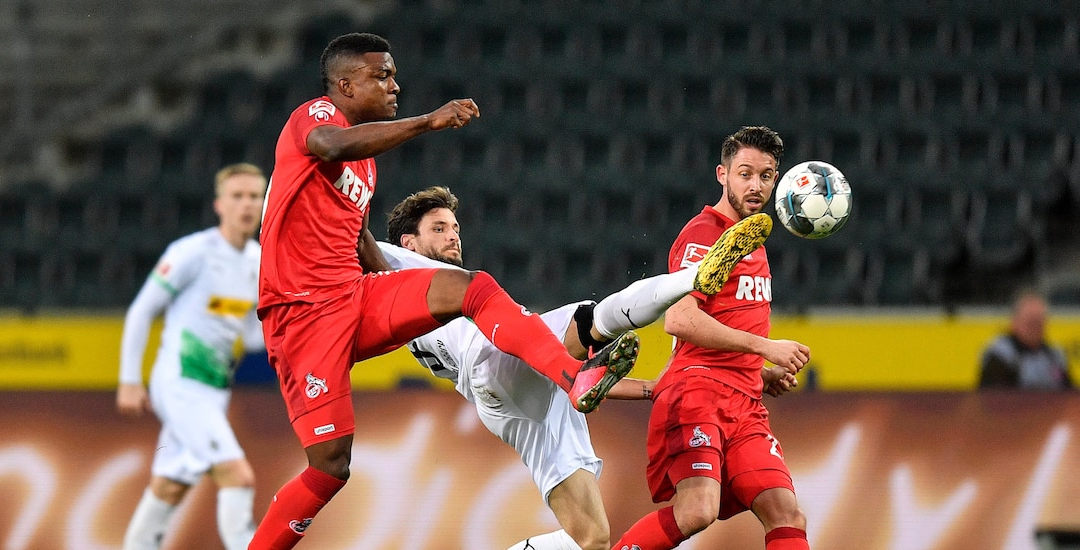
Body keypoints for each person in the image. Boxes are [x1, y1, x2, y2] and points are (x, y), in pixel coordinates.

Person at [251, 33, 639, 549]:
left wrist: (402, 281)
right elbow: (328, 145)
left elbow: (358, 238)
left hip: (353, 298)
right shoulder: (317, 116)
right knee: (330, 467)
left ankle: (572, 375)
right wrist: (428, 121)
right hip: (301, 320)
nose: (395, 85)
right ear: (344, 84)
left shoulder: (365, 162)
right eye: (381, 76)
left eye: (393, 74)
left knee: (470, 288)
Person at [380, 186, 798, 550]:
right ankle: (693, 278)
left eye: (455, 228)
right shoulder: (397, 267)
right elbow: (355, 242)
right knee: (594, 317)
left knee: (591, 539)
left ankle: (594, 355)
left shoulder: (434, 283)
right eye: (439, 228)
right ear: (408, 244)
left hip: (518, 402)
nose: (453, 236)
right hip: (492, 357)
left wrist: (657, 388)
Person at [612, 126, 812, 550]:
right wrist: (764, 347)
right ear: (722, 174)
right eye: (745, 174)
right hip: (697, 392)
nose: (756, 186)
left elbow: (728, 321)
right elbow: (680, 320)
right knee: (697, 510)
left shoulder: (752, 237)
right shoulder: (707, 233)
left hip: (744, 401)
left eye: (766, 175)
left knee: (786, 513)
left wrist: (760, 372)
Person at [116, 163, 267, 550]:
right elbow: (141, 311)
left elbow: (252, 337)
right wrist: (129, 379)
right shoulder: (191, 253)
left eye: (255, 196)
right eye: (237, 196)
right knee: (239, 476)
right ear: (219, 204)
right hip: (179, 383)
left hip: (213, 391)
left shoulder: (258, 261)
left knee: (169, 485)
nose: (246, 205)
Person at [979, 288, 1073, 390]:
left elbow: (1069, 394)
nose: (1035, 328)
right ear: (1015, 321)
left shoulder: (1054, 355)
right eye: (1030, 322)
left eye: (1039, 322)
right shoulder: (1000, 354)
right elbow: (994, 396)